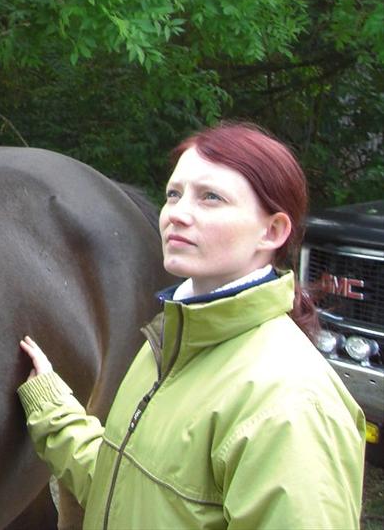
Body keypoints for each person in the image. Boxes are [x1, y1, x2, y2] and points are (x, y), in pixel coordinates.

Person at [18, 122, 366, 528]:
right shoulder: (164, 346)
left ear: (272, 231)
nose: (178, 215)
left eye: (211, 198)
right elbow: (129, 492)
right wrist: (52, 408)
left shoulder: (292, 405)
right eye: (174, 194)